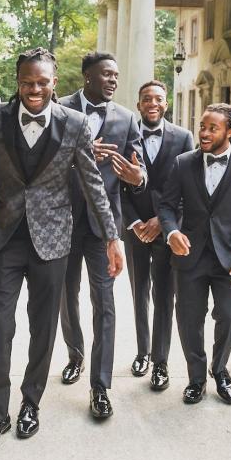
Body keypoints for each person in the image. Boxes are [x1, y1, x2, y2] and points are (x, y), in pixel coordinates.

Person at [0, 47, 122, 452]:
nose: (35, 89)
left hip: (54, 240)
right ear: (18, 82)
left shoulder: (75, 124)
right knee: (0, 327)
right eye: (27, 82)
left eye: (42, 82)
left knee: (43, 328)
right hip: (4, 237)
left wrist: (112, 237)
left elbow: (94, 185)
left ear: (54, 83)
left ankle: (30, 404)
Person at [57, 51, 145, 418]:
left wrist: (136, 178)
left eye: (116, 75)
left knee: (105, 303)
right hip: (60, 219)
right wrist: (79, 150)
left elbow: (138, 168)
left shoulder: (127, 118)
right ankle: (75, 353)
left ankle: (100, 386)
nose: (112, 80)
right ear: (87, 76)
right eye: (106, 74)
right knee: (67, 294)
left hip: (103, 225)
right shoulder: (58, 109)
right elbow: (42, 158)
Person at [158, 103, 231, 405]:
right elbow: (166, 206)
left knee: (229, 317)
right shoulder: (183, 163)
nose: (203, 132)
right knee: (190, 320)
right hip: (189, 257)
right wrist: (171, 231)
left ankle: (220, 370)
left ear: (229, 131)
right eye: (202, 126)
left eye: (212, 128)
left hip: (230, 258)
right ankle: (196, 378)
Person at [121, 80, 193, 391]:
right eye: (146, 98)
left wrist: (164, 223)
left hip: (169, 232)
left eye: (159, 99)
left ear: (166, 104)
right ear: (138, 105)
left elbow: (190, 189)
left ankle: (161, 363)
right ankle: (142, 352)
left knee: (165, 296)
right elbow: (114, 187)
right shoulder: (126, 135)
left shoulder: (184, 137)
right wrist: (136, 221)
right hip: (136, 230)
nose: (153, 103)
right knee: (139, 293)